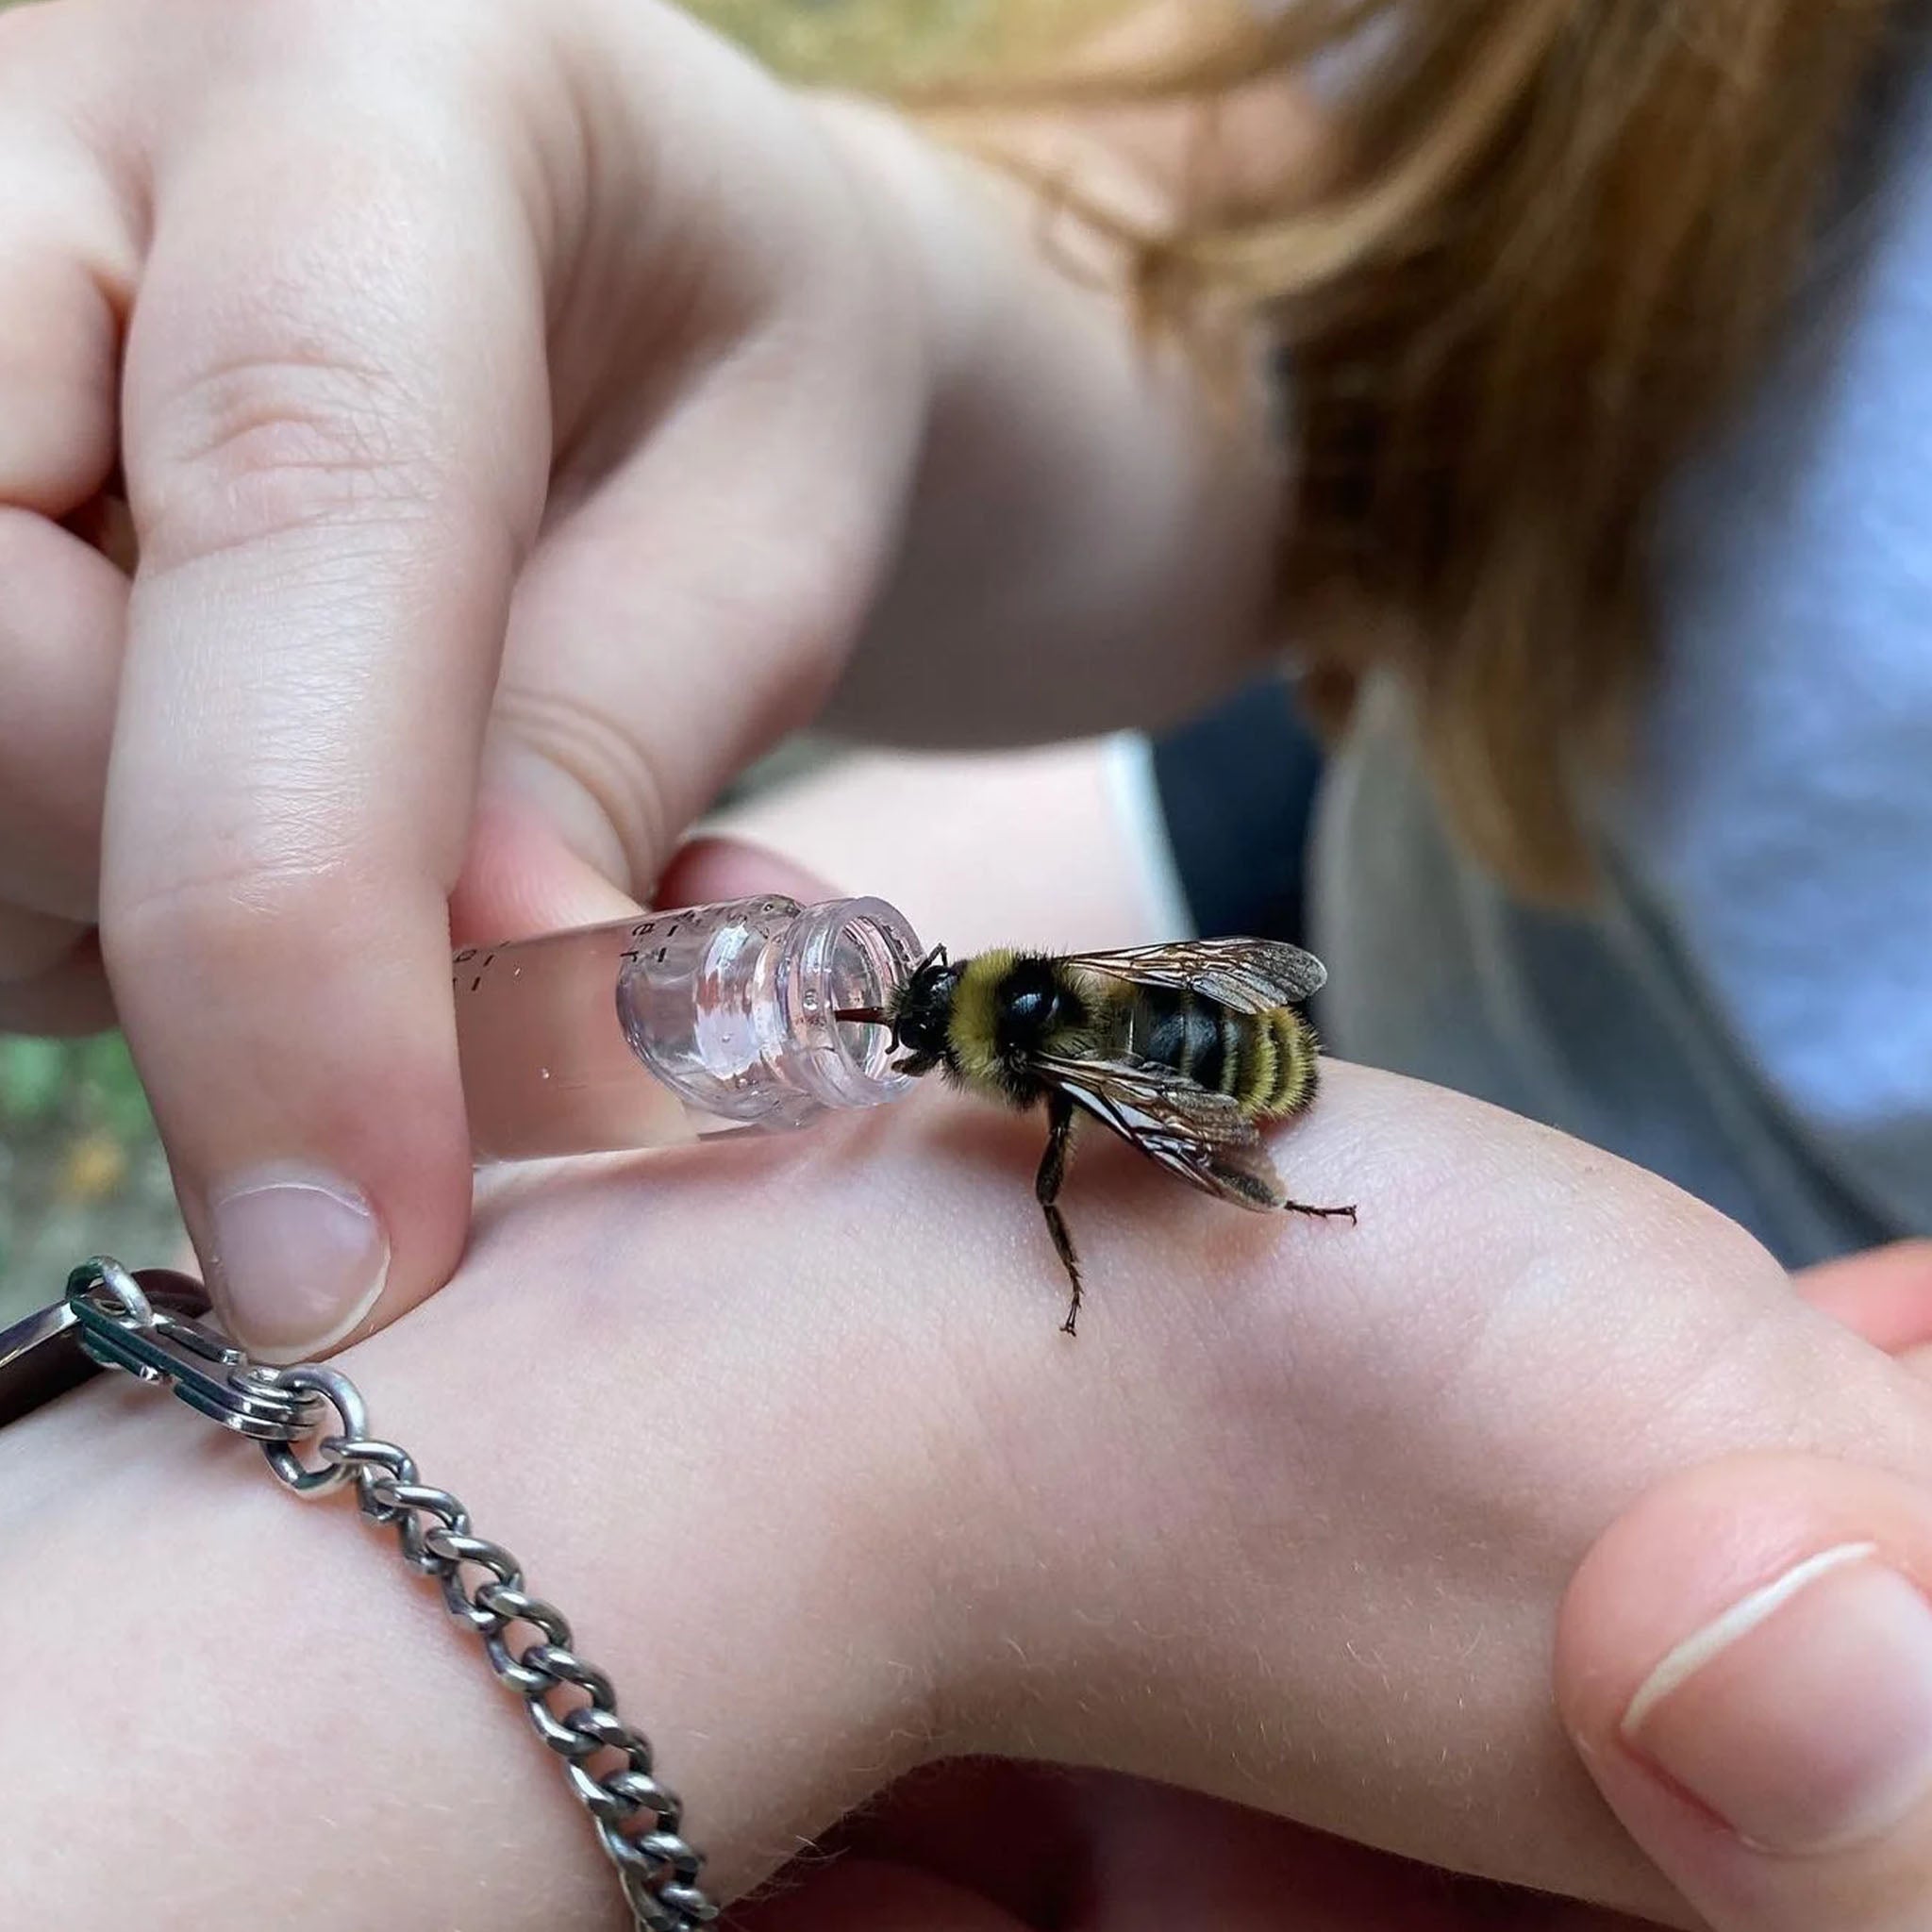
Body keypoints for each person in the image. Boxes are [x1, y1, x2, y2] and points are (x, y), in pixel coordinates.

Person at [0, 1, 1928, 1926]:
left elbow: (1063, 1154)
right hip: (1408, 829)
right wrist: (869, 291)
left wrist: (946, 1408)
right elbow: (1317, 258)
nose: (909, 1039)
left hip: (1638, 1323)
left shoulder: (1058, 1074)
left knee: (651, 1265)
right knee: (567, 1134)